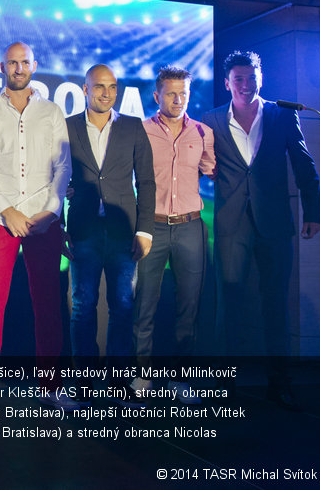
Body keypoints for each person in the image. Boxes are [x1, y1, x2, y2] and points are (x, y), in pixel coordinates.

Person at [203, 51, 320, 411]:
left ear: (261, 77)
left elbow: (304, 164)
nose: (245, 84)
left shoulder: (282, 114)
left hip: (274, 223)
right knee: (230, 305)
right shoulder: (209, 120)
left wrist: (313, 212)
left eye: (251, 76)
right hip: (230, 225)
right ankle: (226, 386)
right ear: (227, 83)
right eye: (238, 78)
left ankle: (280, 382)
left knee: (276, 305)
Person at [0, 41, 76, 410]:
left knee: (48, 301)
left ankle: (51, 387)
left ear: (34, 65)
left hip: (44, 221)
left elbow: (63, 166)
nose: (18, 68)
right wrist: (6, 209)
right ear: (2, 66)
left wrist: (50, 211)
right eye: (12, 62)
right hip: (0, 219)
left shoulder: (51, 111)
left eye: (24, 62)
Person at [66, 63, 155, 407]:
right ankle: (85, 384)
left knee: (122, 306)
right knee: (82, 308)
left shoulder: (133, 127)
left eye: (112, 87)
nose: (107, 92)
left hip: (123, 232)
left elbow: (146, 181)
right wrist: (59, 223)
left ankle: (118, 383)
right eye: (99, 86)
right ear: (85, 89)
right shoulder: (68, 126)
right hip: (83, 232)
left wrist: (145, 230)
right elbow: (56, 177)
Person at [132, 66, 214, 404]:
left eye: (183, 93)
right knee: (145, 304)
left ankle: (180, 379)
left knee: (188, 306)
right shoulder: (140, 131)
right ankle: (140, 376)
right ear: (156, 96)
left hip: (191, 226)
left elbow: (212, 168)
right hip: (151, 226)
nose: (178, 99)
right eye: (170, 93)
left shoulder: (203, 133)